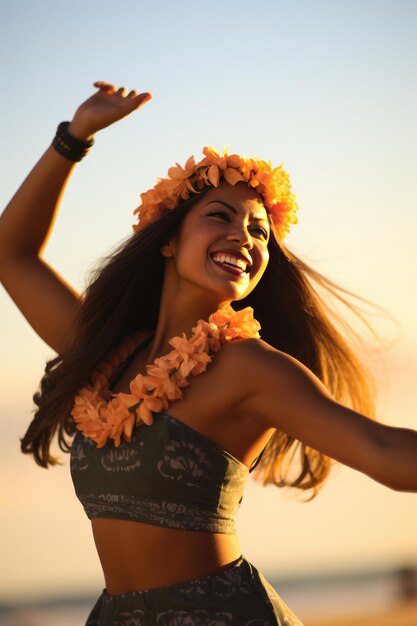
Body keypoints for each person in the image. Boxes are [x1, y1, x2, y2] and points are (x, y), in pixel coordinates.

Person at [1, 81, 416, 626]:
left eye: (259, 231)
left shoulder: (247, 366)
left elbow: (381, 449)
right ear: (168, 240)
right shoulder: (106, 354)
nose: (244, 236)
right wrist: (75, 136)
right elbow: (12, 255)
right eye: (220, 216)